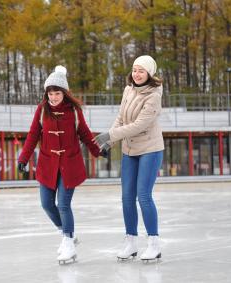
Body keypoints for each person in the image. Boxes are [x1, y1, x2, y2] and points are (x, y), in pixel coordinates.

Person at [17, 65, 105, 264]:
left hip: (69, 163)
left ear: (64, 93)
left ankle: (68, 242)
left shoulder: (73, 110)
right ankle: (68, 233)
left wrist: (98, 151)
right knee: (46, 204)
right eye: (50, 93)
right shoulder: (42, 110)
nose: (53, 97)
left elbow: (84, 133)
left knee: (63, 204)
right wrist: (23, 158)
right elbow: (32, 135)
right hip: (48, 164)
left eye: (57, 93)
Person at [94, 55, 164, 261]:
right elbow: (121, 118)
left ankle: (153, 243)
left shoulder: (154, 95)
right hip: (129, 150)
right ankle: (131, 242)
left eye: (141, 70)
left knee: (143, 196)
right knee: (126, 197)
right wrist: (110, 141)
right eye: (134, 70)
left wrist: (110, 135)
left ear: (149, 73)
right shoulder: (128, 90)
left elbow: (139, 125)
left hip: (150, 149)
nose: (137, 74)